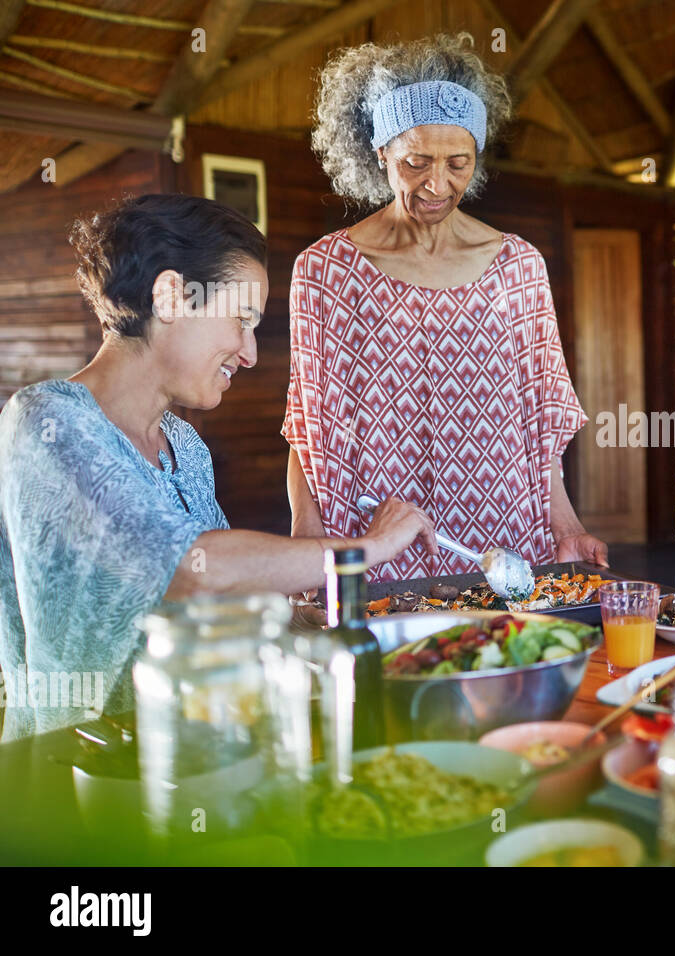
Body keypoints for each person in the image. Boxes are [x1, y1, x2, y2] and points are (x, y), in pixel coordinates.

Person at [0, 194, 436, 740]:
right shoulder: (47, 422)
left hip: (201, 761)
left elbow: (218, 599)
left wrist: (290, 613)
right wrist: (366, 551)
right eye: (241, 319)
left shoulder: (186, 446)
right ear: (170, 296)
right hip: (79, 783)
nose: (250, 353)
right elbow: (188, 573)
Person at [285, 34, 606, 584]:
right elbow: (310, 427)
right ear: (379, 150)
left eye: (458, 163)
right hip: (376, 534)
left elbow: (541, 420)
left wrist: (566, 525)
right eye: (415, 162)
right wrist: (305, 533)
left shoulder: (518, 267)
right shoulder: (326, 271)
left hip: (505, 539)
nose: (438, 184)